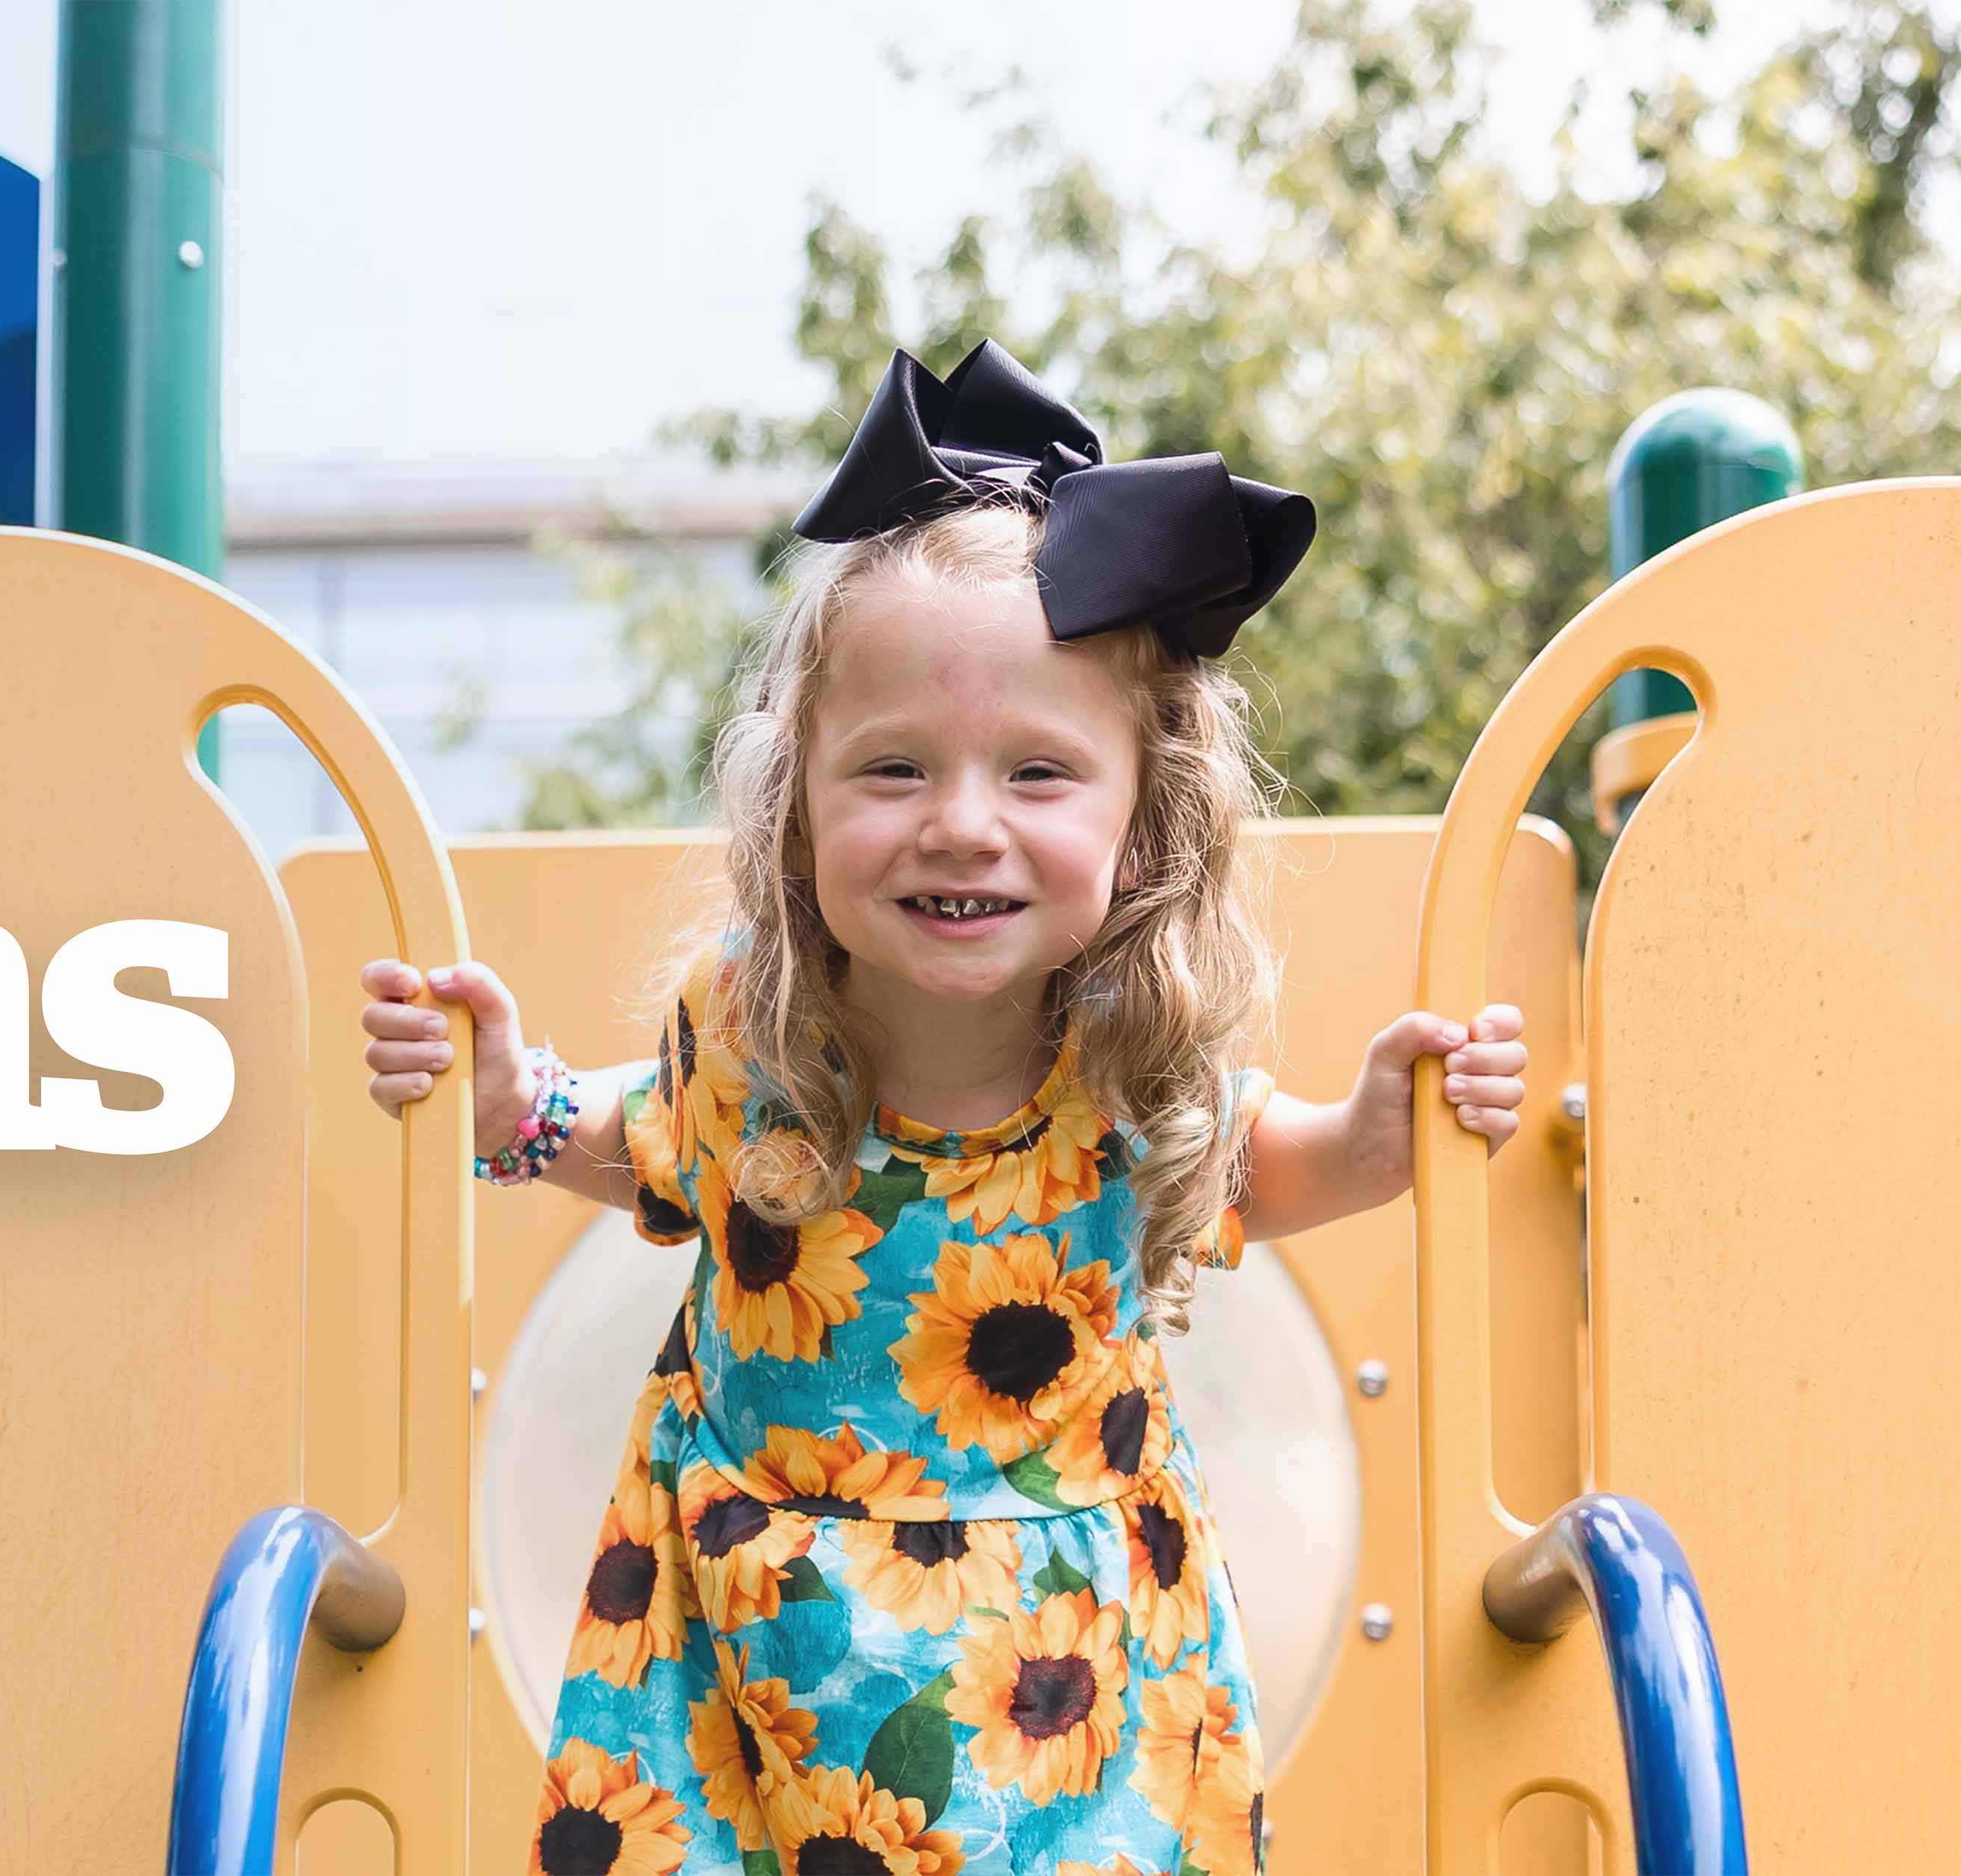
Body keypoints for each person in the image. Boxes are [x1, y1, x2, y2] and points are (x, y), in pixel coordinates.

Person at [361, 342, 1531, 1876]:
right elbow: (648, 1145)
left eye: (1040, 773)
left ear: (1147, 813)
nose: (961, 824)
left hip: (1066, 1686)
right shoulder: (749, 1030)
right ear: (801, 807)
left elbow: (1255, 1170)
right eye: (894, 768)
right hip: (740, 1669)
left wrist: (1382, 1132)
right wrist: (508, 1102)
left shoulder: (1129, 1059)